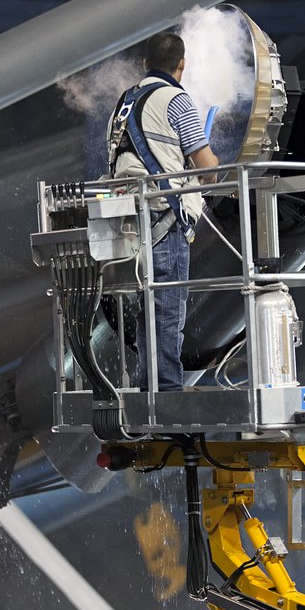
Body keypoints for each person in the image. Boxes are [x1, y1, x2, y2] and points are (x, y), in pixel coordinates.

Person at [107, 31, 219, 391]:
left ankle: (149, 386)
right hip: (163, 219)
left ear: (145, 63)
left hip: (128, 219)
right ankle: (167, 392)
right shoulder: (177, 100)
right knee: (167, 312)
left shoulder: (124, 102)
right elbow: (207, 168)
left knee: (147, 312)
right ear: (181, 64)